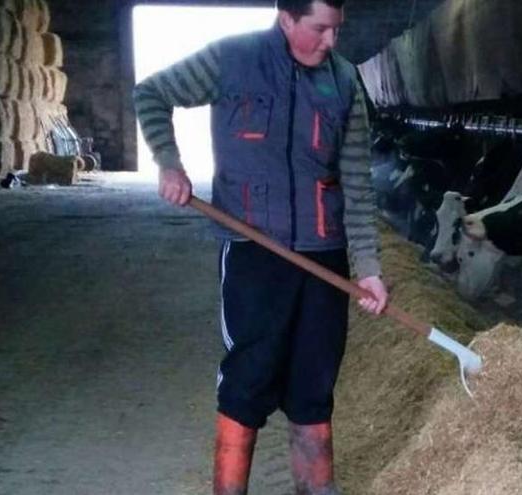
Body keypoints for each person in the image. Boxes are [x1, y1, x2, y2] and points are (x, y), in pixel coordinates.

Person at [133, 1, 387, 493]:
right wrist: (168, 162)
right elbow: (151, 93)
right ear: (286, 17)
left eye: (338, 30)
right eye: (320, 29)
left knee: (314, 388)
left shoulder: (345, 81)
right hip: (253, 251)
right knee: (248, 381)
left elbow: (357, 182)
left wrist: (370, 267)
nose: (331, 42)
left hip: (323, 257)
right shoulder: (233, 59)